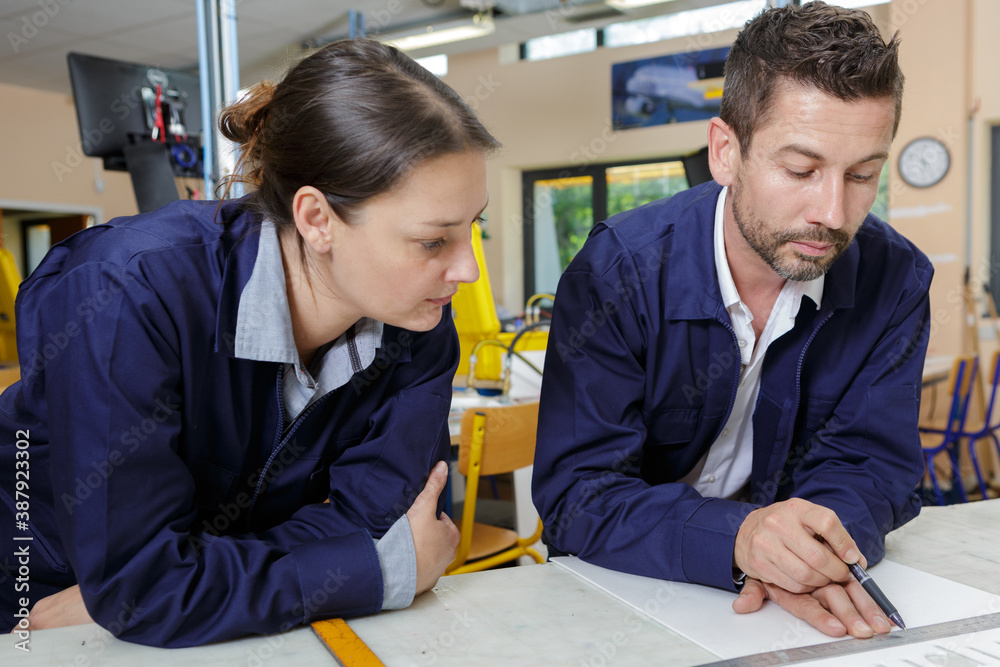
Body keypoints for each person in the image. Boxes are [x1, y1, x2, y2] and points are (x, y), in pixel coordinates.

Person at [0, 38, 499, 647]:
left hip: (171, 616)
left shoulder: (417, 321)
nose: (467, 270)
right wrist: (372, 569)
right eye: (432, 242)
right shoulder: (126, 292)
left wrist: (166, 585)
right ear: (316, 220)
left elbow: (379, 521)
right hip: (36, 605)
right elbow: (141, 587)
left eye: (473, 227)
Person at [533, 1, 931, 640]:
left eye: (863, 175)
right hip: (622, 592)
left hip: (788, 607)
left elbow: (871, 464)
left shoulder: (897, 279)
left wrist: (803, 551)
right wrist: (740, 539)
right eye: (800, 169)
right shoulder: (618, 271)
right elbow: (579, 494)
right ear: (725, 152)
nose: (832, 211)